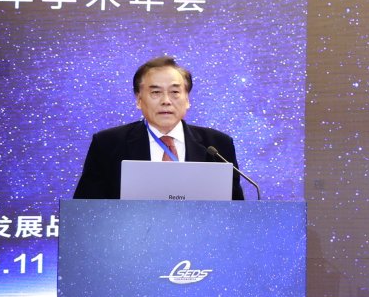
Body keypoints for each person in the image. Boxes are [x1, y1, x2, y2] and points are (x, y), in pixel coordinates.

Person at [72, 56, 244, 200]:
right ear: (139, 100)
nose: (166, 101)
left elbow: (235, 211)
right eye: (156, 92)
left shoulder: (217, 145)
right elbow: (86, 209)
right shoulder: (108, 144)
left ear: (187, 99)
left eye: (175, 92)